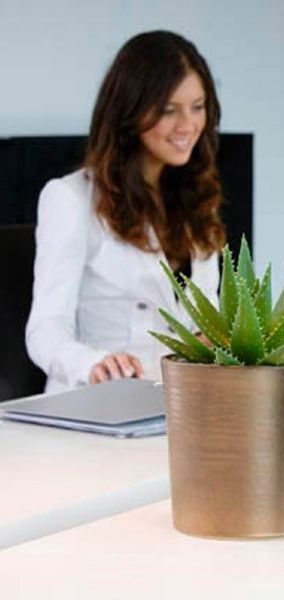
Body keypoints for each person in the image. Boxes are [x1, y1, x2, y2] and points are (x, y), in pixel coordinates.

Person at [26, 31, 226, 393]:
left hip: (175, 408)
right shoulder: (70, 199)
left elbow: (204, 319)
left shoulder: (197, 199)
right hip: (94, 407)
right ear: (131, 111)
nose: (188, 125)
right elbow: (44, 331)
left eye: (197, 107)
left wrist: (215, 342)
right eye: (169, 110)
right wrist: (93, 363)